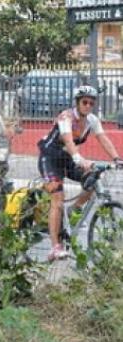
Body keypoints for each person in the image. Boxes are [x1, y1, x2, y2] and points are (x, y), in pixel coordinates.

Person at [37, 85, 123, 261]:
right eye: (84, 102)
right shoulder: (66, 116)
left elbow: (103, 138)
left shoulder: (92, 120)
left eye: (92, 103)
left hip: (68, 158)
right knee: (57, 199)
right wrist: (79, 158)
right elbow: (68, 140)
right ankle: (55, 246)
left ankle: (73, 210)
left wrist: (116, 159)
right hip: (50, 158)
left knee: (92, 180)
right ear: (77, 102)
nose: (88, 105)